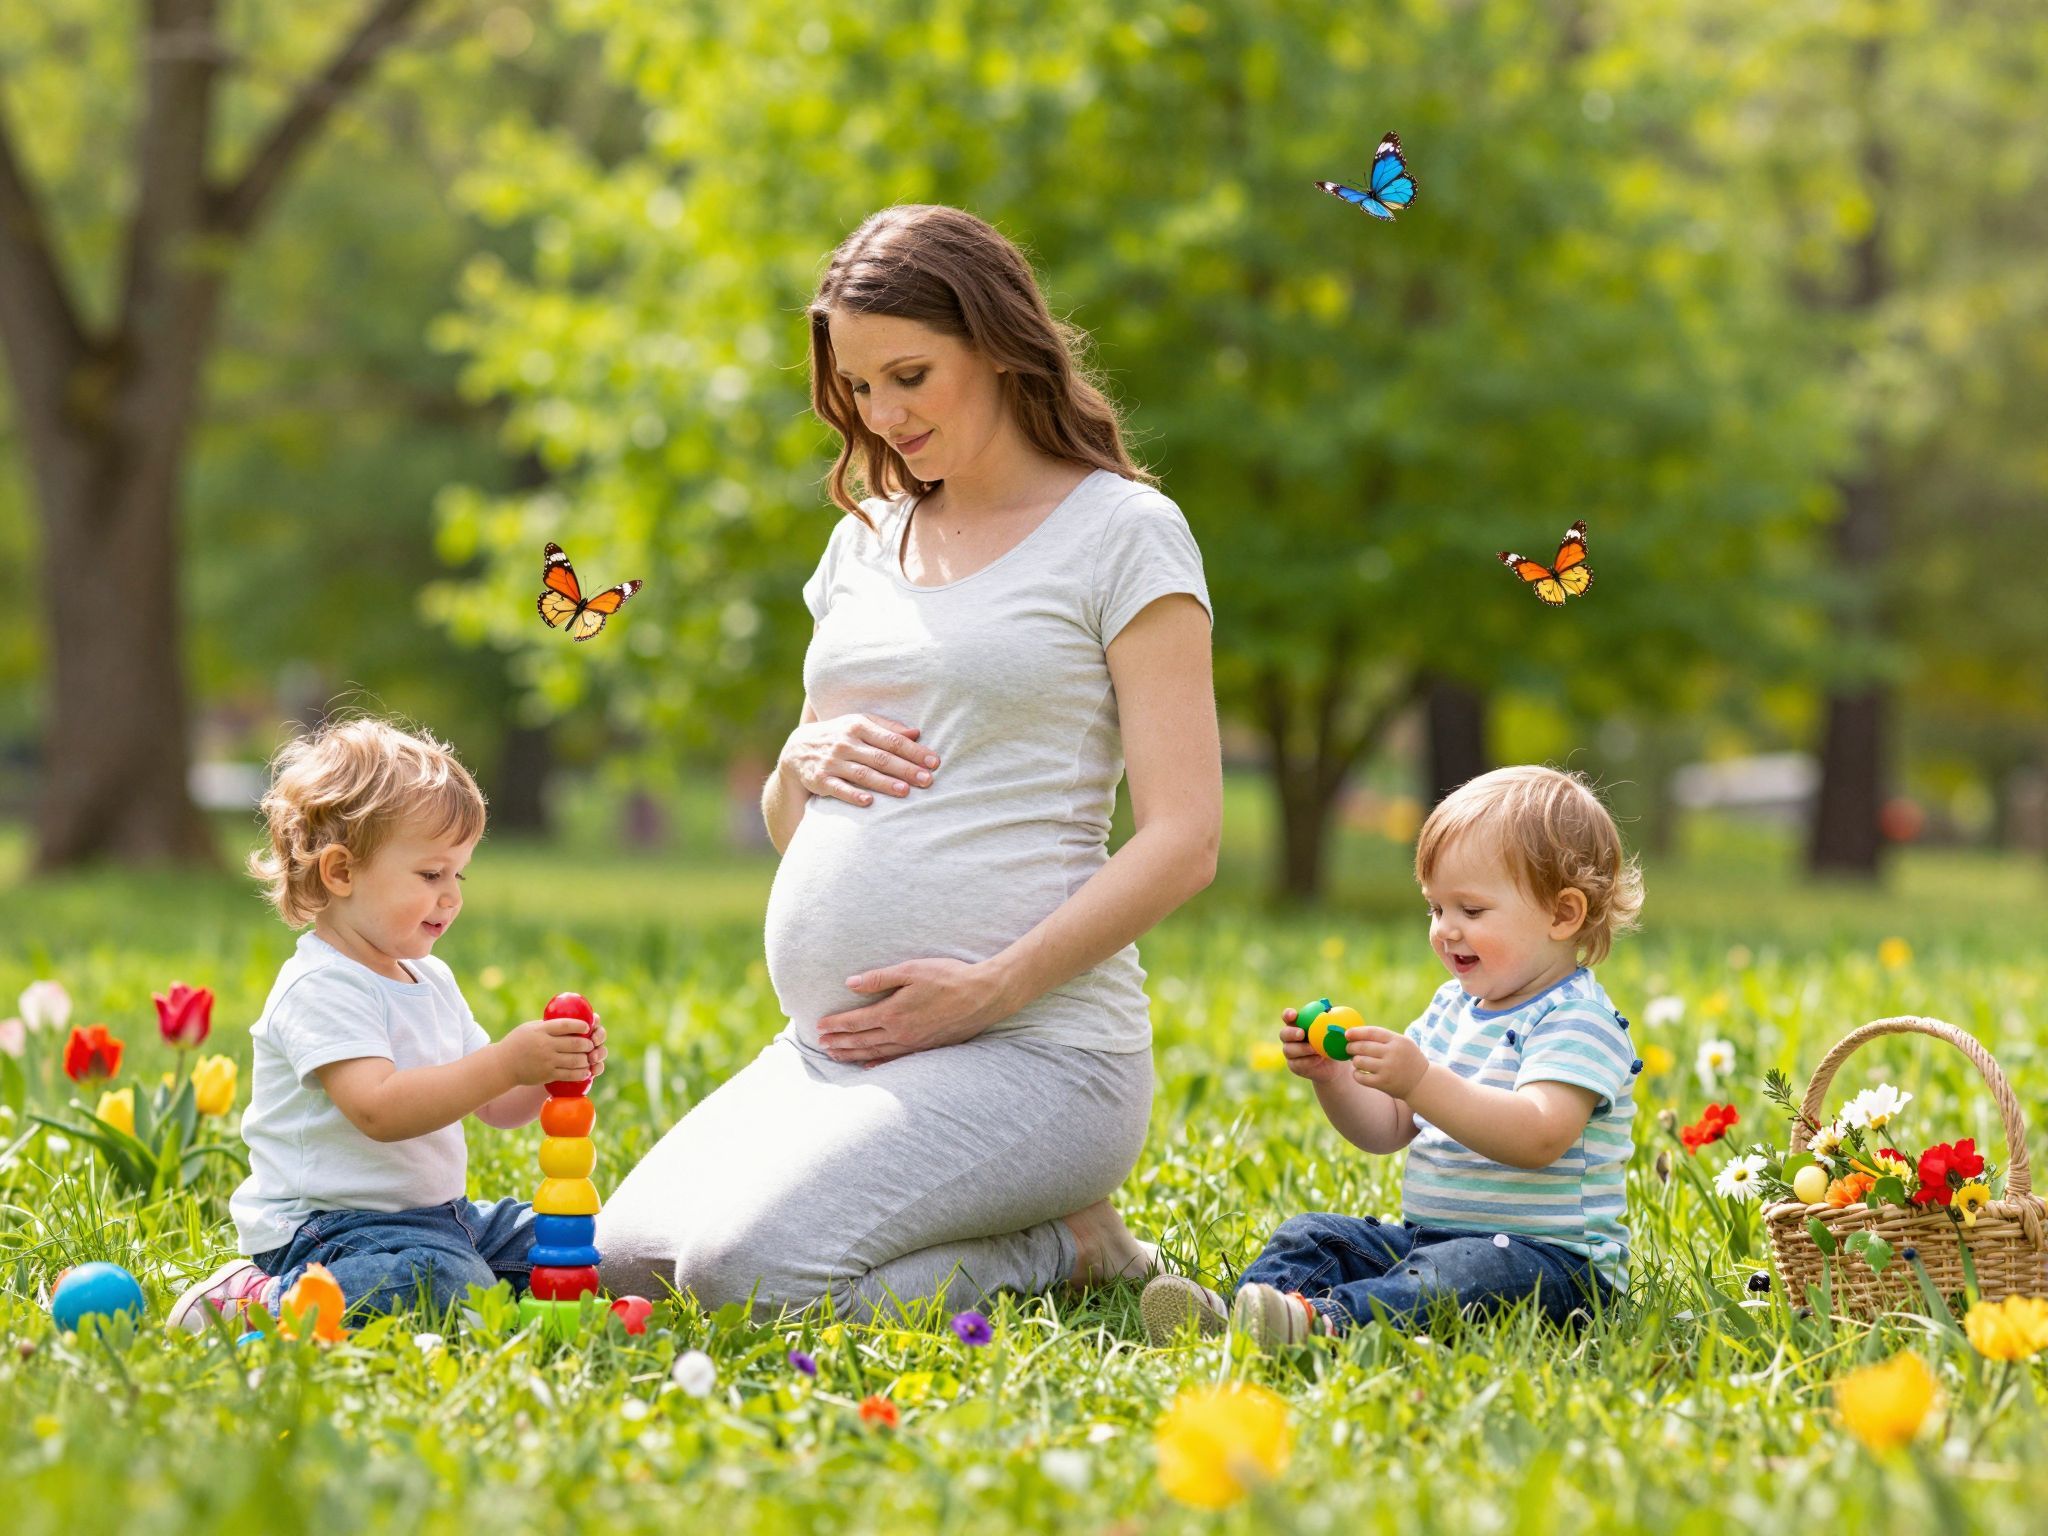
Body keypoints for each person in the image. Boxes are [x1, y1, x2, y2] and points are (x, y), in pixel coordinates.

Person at [597, 205, 1222, 1319]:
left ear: (994, 343)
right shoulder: (863, 541)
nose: (883, 417)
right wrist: (796, 760)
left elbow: (1186, 841)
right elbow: (803, 822)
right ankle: (1033, 1234)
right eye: (858, 391)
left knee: (744, 1277)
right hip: (833, 1053)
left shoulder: (1123, 533)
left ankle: (1059, 1250)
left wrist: (990, 989)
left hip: (1035, 1050)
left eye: (910, 376)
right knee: (626, 1264)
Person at [1142, 765, 1644, 1346]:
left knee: (1458, 1276)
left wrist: (1421, 1080)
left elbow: (1537, 1136)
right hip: (1431, 1242)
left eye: (1471, 911)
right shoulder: (1451, 1008)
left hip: (1554, 1271)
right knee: (1316, 1236)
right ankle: (1245, 1317)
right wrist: (1333, 1079)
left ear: (1563, 915)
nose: (1445, 930)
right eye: (1435, 909)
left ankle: (1325, 1324)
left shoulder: (1576, 1018)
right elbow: (1388, 1128)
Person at [167, 718, 606, 1331]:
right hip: (328, 1231)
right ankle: (254, 1301)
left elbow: (498, 1105)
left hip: (441, 1216)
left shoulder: (432, 981)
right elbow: (380, 1111)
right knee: (446, 1283)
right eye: (430, 875)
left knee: (582, 1244)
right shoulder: (321, 986)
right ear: (341, 873)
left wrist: (546, 1071)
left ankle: (460, 1277)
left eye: (459, 874)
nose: (451, 895)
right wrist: (505, 1060)